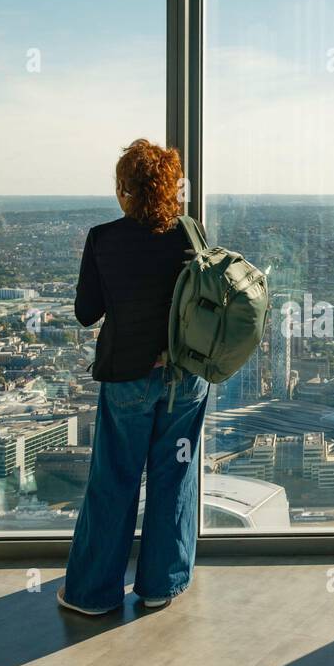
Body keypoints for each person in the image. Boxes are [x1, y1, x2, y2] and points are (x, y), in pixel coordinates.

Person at [58, 139, 208, 615]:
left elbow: (86, 313)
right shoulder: (191, 231)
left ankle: (92, 593)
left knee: (114, 480)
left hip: (129, 376)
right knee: (174, 476)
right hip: (186, 375)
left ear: (125, 188)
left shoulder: (104, 238)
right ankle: (162, 584)